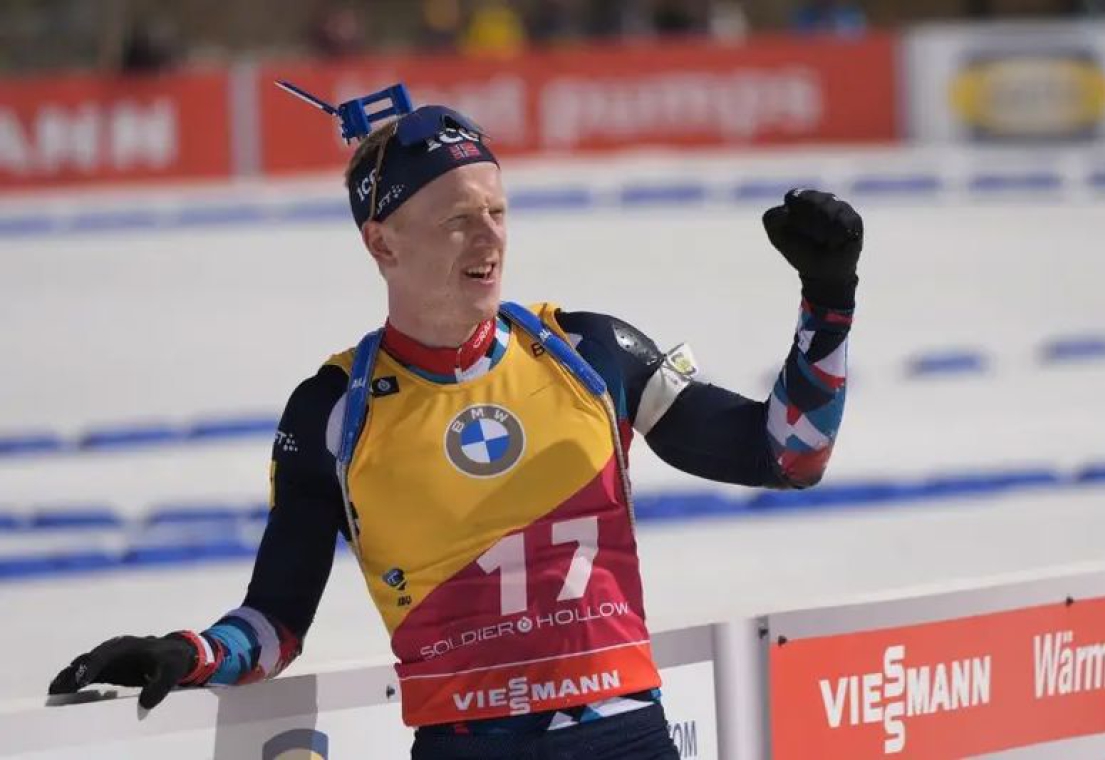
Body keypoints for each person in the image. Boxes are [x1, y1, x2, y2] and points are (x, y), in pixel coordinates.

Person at [48, 99, 863, 759]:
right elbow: (275, 623)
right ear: (382, 243)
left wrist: (827, 300)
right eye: (457, 220)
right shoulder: (333, 410)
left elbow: (788, 456)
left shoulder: (588, 351)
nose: (490, 238)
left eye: (497, 211)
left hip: (624, 739)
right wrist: (188, 653)